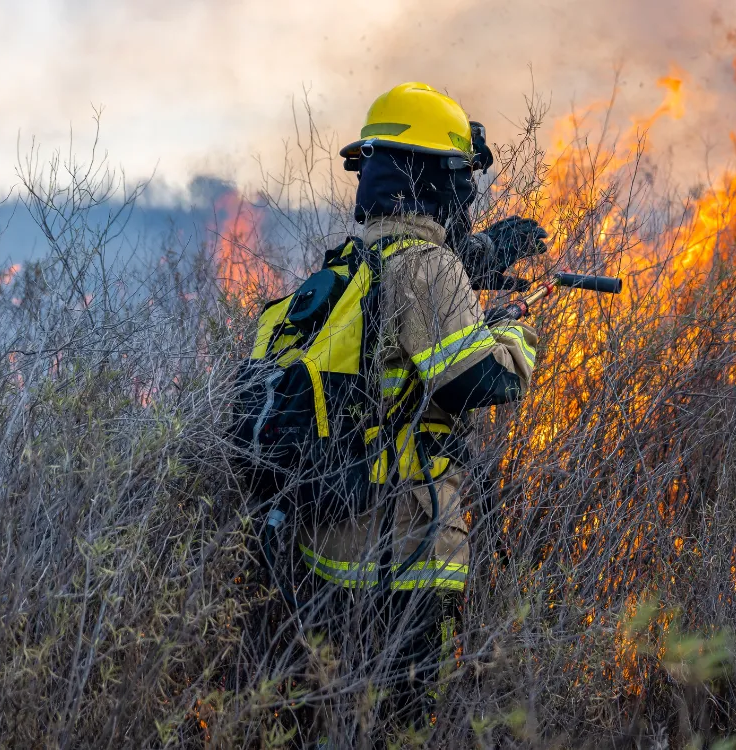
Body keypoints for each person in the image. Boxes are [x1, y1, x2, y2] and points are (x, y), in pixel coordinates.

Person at [248, 82, 546, 742]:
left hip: (328, 548)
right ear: (437, 179)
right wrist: (516, 335)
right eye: (460, 175)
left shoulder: (349, 266)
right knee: (407, 728)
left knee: (334, 721)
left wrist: (478, 271)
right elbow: (481, 383)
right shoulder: (427, 268)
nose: (467, 192)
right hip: (407, 549)